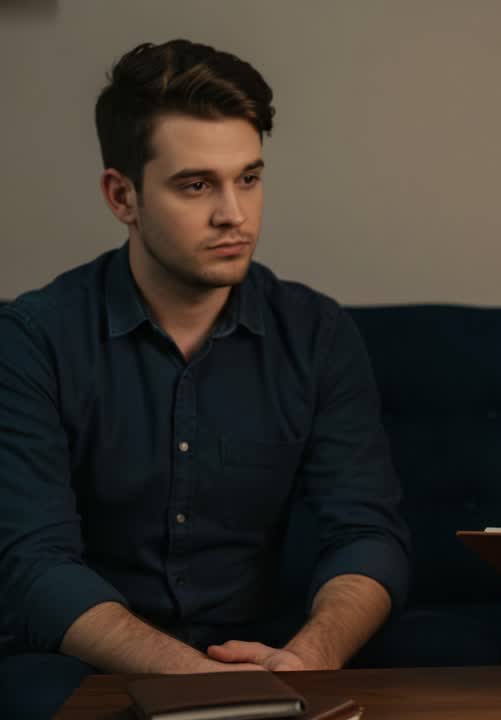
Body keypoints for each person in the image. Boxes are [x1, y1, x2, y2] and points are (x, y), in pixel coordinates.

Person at [0, 40, 410, 716]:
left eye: (248, 178)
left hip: (267, 653)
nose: (235, 215)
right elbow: (32, 565)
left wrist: (311, 656)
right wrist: (198, 684)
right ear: (121, 195)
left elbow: (368, 532)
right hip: (81, 665)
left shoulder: (317, 333)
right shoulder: (33, 339)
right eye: (197, 185)